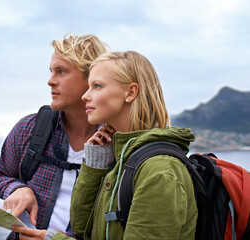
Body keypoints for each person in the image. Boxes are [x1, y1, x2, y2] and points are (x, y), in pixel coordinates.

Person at [13, 51, 197, 239]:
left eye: (97, 86)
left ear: (131, 92)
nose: (85, 96)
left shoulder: (160, 172)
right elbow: (82, 230)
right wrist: (94, 163)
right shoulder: (121, 158)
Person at [0, 34, 109, 239]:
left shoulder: (116, 142)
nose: (50, 81)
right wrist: (18, 189)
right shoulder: (29, 128)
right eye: (51, 71)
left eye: (61, 71)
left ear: (92, 78)